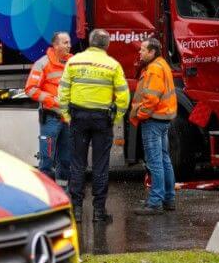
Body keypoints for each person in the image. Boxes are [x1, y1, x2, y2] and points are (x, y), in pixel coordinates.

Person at [59, 29, 129, 224]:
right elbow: (123, 96)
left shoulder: (74, 62)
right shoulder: (113, 65)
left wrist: (66, 115)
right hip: (101, 120)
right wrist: (116, 117)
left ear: (90, 43)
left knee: (77, 165)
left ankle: (77, 212)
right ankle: (99, 212)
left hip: (78, 118)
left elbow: (63, 91)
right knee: (100, 166)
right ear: (106, 45)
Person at [129, 38, 177, 215]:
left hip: (153, 121)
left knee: (155, 162)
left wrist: (141, 115)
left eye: (143, 50)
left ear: (152, 52)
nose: (140, 53)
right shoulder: (161, 64)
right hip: (162, 119)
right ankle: (168, 198)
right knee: (164, 160)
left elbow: (151, 99)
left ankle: (155, 202)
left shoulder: (154, 69)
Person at [25, 32, 72, 187]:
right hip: (50, 119)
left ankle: (62, 194)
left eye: (69, 42)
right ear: (55, 45)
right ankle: (46, 195)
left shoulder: (73, 63)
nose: (69, 45)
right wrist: (53, 100)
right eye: (65, 42)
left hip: (68, 120)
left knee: (65, 160)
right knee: (47, 160)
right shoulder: (42, 63)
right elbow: (30, 89)